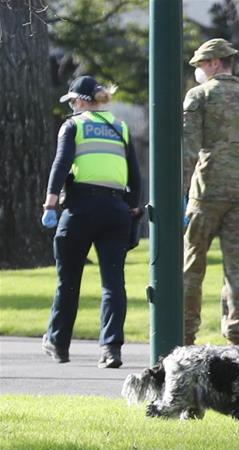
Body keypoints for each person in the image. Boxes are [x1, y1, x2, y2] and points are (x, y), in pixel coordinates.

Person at [40, 75, 142, 368]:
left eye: (72, 101)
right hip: (116, 211)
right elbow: (135, 177)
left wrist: (50, 204)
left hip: (81, 209)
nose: (72, 106)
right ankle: (111, 349)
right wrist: (132, 210)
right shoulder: (120, 128)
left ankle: (58, 344)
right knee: (113, 284)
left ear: (82, 100)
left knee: (68, 281)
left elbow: (61, 164)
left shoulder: (73, 125)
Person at [182, 38, 239, 346]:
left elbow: (188, 151)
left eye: (199, 65)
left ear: (213, 63)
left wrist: (179, 195)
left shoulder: (199, 97)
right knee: (238, 270)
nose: (197, 71)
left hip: (205, 193)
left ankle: (185, 334)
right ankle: (236, 335)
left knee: (192, 266)